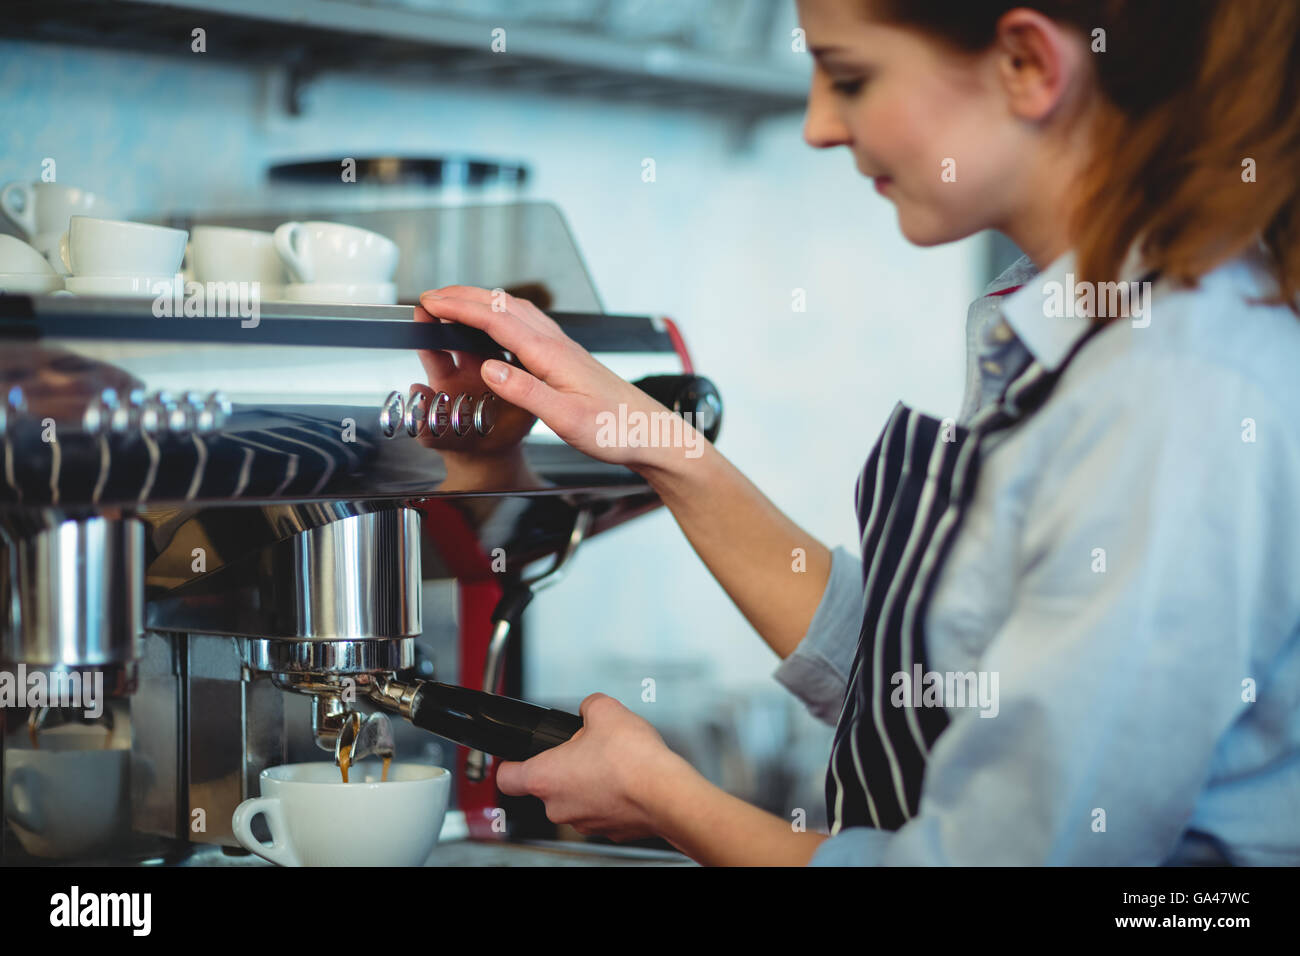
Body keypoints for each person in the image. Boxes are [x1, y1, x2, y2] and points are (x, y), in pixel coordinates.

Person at [416, 0, 1300, 865]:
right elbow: (910, 683)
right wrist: (652, 438)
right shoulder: (1068, 330)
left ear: (1028, 64)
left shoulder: (1171, 393)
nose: (818, 126)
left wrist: (664, 799)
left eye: (849, 76)